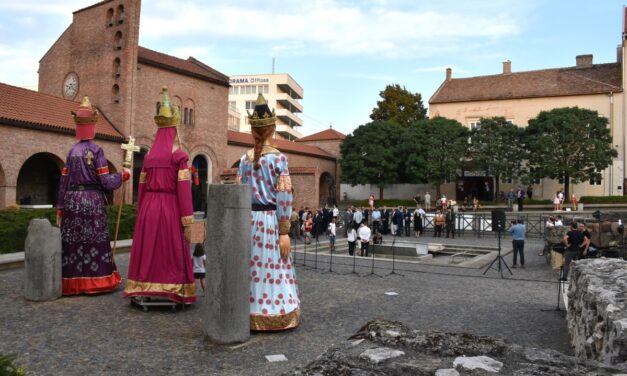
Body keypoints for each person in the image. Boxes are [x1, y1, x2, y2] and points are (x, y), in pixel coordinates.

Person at [124, 88, 196, 304]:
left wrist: (141, 211)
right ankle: (172, 287)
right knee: (169, 248)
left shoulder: (148, 156)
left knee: (149, 250)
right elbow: (183, 190)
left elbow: (142, 187)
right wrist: (187, 219)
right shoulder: (178, 155)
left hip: (149, 207)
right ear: (174, 128)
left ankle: (143, 285)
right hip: (170, 207)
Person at [236, 93, 300, 331]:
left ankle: (247, 310)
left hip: (248, 221)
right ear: (272, 128)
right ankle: (274, 310)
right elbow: (284, 196)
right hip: (271, 222)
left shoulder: (243, 160)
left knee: (250, 267)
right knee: (273, 266)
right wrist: (284, 230)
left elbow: (239, 192)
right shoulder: (279, 159)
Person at [57, 96, 129, 295]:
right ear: (93, 125)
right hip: (92, 201)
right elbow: (105, 181)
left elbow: (63, 181)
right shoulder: (97, 150)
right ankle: (97, 281)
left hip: (72, 201)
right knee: (94, 240)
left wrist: (61, 207)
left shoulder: (71, 151)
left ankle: (71, 283)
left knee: (72, 242)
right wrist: (122, 176)